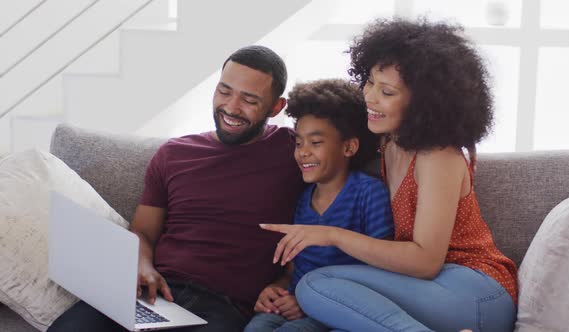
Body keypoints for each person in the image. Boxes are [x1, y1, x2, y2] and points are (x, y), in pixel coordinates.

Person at [262, 18, 518, 332]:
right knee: (320, 304)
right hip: (425, 293)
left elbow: (426, 262)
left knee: (316, 285)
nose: (369, 97)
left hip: (477, 292)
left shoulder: (438, 155)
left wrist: (331, 234)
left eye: (387, 92)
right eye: (369, 82)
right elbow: (328, 137)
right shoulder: (388, 144)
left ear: (424, 102)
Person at [47, 45, 304, 332]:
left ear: (276, 107)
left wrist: (285, 284)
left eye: (249, 100)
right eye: (224, 91)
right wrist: (143, 266)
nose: (231, 107)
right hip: (154, 291)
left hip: (222, 307)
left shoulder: (295, 152)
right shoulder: (175, 154)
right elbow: (143, 232)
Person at [246, 79, 394, 332]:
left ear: (349, 147)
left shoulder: (369, 193)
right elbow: (293, 271)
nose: (303, 152)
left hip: (338, 308)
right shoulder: (303, 200)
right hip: (295, 303)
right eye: (299, 142)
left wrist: (309, 303)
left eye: (315, 143)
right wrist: (276, 290)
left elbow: (382, 271)